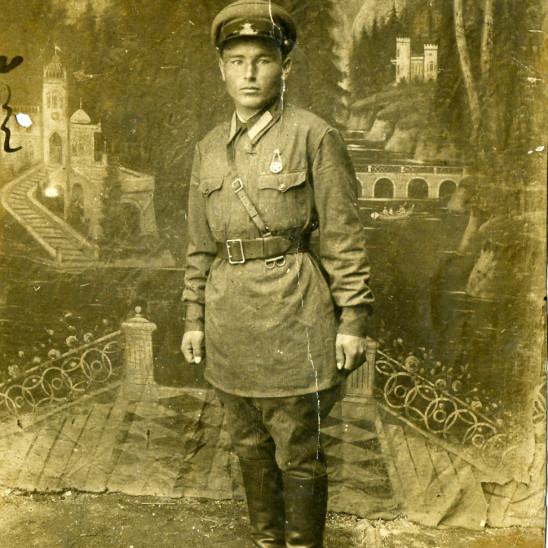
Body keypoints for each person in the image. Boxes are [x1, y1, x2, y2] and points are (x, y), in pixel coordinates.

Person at [181, 1, 374, 546]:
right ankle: (268, 542)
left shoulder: (314, 136)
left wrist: (353, 320)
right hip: (229, 318)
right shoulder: (207, 149)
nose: (249, 73)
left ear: (285, 67)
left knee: (298, 449)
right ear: (221, 69)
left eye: (262, 60)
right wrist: (193, 316)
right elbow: (200, 246)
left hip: (294, 312)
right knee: (247, 444)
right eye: (236, 61)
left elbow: (343, 236)